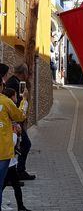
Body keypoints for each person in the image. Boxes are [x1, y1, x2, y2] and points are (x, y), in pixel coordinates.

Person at [0, 77, 27, 209]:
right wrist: (24, 101)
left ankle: (20, 206)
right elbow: (21, 115)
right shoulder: (6, 103)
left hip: (6, 154)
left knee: (7, 183)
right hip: (4, 154)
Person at [5, 64, 35, 180]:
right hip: (14, 121)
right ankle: (18, 172)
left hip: (15, 121)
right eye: (27, 73)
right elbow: (14, 104)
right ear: (23, 73)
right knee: (24, 144)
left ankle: (16, 172)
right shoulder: (15, 83)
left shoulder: (13, 81)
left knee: (20, 146)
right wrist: (24, 100)